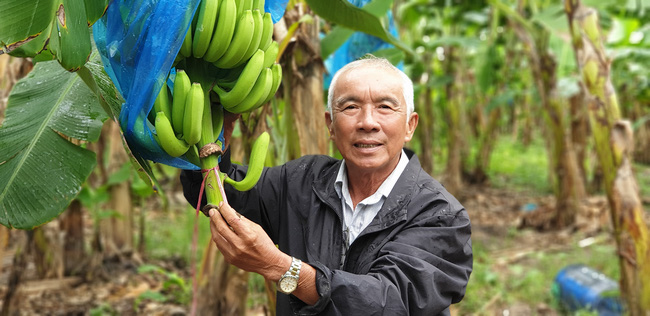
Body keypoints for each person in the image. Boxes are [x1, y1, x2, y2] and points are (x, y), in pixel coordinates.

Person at [181, 56, 473, 315]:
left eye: (385, 107)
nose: (367, 122)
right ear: (330, 125)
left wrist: (282, 267)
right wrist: (214, 141)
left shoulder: (441, 215)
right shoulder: (303, 180)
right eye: (350, 107)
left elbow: (389, 301)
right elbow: (220, 196)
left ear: (410, 125)